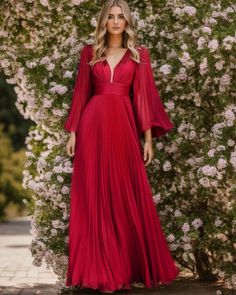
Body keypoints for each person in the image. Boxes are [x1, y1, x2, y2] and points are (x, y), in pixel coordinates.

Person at [64, 0, 179, 293]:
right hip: (92, 127)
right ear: (104, 21)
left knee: (124, 193)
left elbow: (143, 96)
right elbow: (81, 93)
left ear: (127, 22)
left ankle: (124, 267)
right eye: (111, 17)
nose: (116, 22)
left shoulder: (139, 55)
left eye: (121, 17)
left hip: (124, 129)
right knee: (94, 197)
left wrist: (148, 138)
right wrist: (73, 131)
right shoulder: (89, 53)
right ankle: (99, 270)